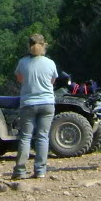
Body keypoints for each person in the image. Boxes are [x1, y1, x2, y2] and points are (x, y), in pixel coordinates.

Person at [12, 34, 58, 180]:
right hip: (47, 103)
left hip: (28, 103)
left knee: (25, 137)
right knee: (42, 137)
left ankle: (20, 170)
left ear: (29, 46)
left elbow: (20, 80)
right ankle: (40, 170)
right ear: (44, 45)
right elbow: (52, 81)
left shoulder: (22, 62)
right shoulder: (50, 63)